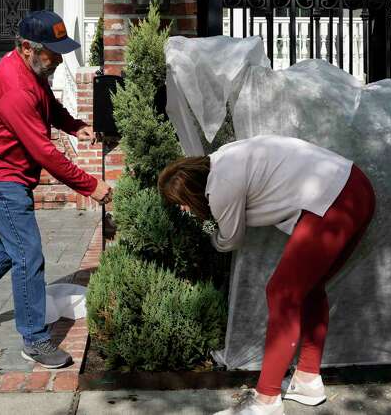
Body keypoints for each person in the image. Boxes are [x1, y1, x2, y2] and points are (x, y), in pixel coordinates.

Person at [0, 10, 113, 369]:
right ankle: (35, 339)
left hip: (6, 174)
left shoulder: (31, 70)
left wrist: (75, 126)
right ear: (28, 48)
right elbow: (43, 152)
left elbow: (48, 105)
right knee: (28, 253)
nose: (59, 58)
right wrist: (90, 186)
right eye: (53, 52)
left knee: (12, 245)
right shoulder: (14, 87)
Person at [158, 135, 376, 415]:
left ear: (191, 191)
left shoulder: (220, 187)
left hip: (334, 199)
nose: (183, 210)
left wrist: (207, 227)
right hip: (356, 188)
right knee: (308, 288)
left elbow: (229, 240)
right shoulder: (223, 158)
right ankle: (308, 380)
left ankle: (267, 400)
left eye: (181, 203)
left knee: (282, 293)